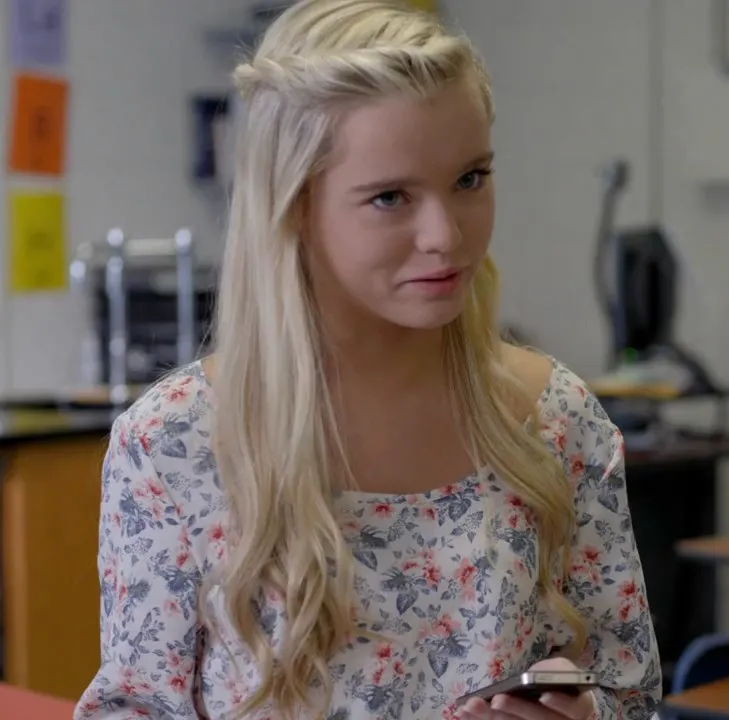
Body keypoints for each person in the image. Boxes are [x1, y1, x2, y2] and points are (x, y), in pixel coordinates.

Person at [73, 2, 660, 719]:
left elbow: (631, 690)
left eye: (470, 179)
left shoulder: (556, 423)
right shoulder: (174, 447)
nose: (445, 235)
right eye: (389, 197)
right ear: (293, 206)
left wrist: (589, 715)